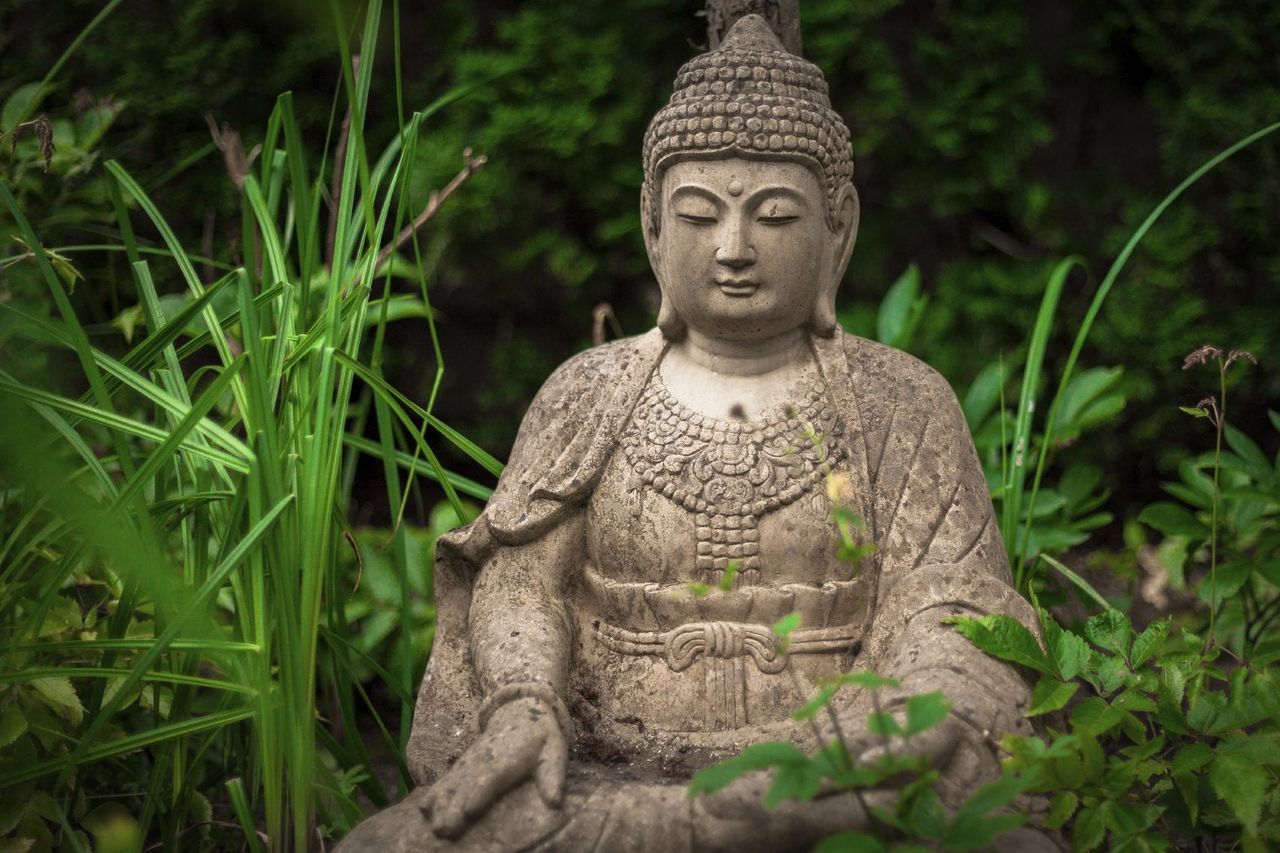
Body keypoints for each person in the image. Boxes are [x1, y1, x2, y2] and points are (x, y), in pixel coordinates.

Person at [339, 15, 1047, 851]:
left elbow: (954, 606)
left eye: (776, 215)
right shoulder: (587, 391)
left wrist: (914, 717)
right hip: (605, 778)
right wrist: (524, 706)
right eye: (700, 214)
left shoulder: (902, 402)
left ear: (839, 231)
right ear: (652, 226)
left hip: (832, 769)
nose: (734, 248)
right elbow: (521, 583)